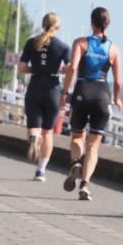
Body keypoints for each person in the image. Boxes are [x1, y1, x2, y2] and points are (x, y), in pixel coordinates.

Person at [60, 7, 123, 201]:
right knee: (94, 145)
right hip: (102, 95)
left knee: (77, 137)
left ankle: (75, 162)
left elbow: (72, 67)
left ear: (91, 22)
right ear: (108, 24)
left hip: (82, 92)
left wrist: (64, 92)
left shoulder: (81, 43)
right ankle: (85, 185)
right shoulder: (114, 49)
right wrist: (117, 97)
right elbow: (119, 82)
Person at [19, 13, 71, 182]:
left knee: (33, 127)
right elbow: (70, 68)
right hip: (52, 89)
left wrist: (34, 69)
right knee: (48, 132)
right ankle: (40, 171)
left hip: (35, 87)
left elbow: (21, 67)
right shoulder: (63, 47)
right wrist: (62, 72)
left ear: (42, 25)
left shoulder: (31, 43)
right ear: (58, 27)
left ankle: (34, 138)